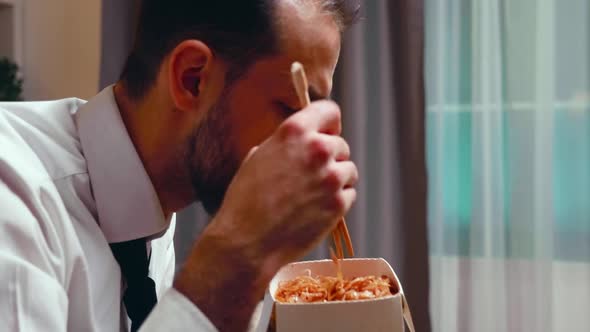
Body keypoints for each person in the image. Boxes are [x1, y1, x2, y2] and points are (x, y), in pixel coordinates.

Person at [0, 0, 360, 331]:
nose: (311, 142)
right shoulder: (14, 194)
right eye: (291, 107)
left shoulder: (150, 209)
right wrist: (234, 260)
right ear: (192, 78)